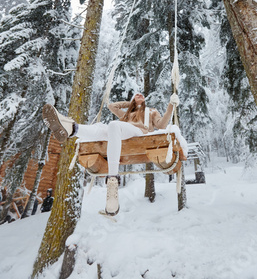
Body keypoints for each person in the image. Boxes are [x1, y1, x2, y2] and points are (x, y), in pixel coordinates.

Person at [42, 92, 181, 216]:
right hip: (121, 134)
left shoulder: (151, 111)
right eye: (136, 94)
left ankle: (112, 180)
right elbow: (111, 106)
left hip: (139, 134)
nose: (139, 94)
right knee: (100, 128)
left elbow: (162, 125)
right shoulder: (126, 114)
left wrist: (170, 106)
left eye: (141, 95)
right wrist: (131, 103)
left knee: (113, 125)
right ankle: (71, 128)